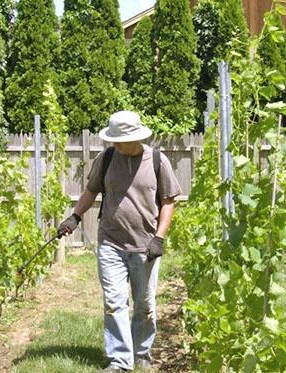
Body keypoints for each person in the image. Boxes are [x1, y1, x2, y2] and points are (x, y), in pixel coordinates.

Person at [58, 110, 181, 372]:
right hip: (110, 243)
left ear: (134, 137)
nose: (113, 143)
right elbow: (91, 190)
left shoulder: (158, 161)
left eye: (118, 139)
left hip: (145, 246)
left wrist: (159, 238)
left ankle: (142, 352)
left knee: (145, 304)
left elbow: (168, 201)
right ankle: (120, 361)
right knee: (114, 303)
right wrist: (75, 217)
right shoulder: (107, 158)